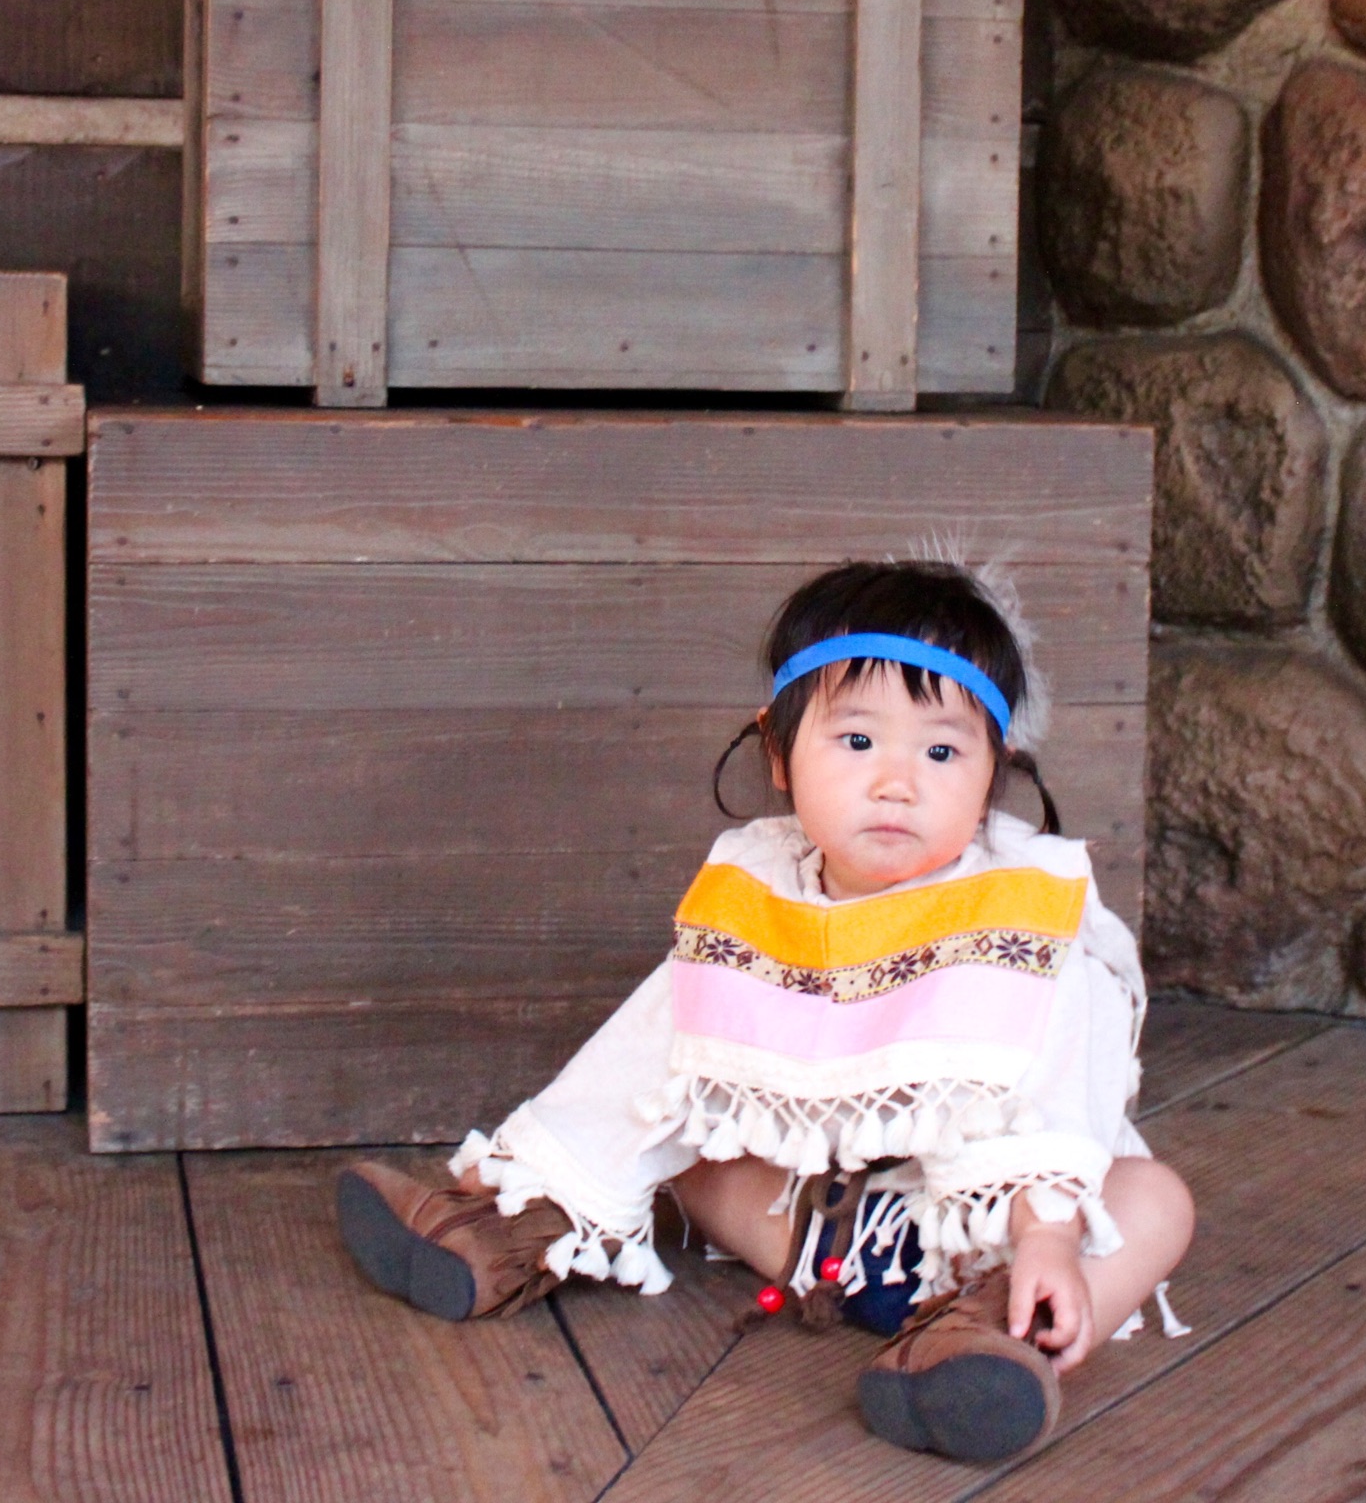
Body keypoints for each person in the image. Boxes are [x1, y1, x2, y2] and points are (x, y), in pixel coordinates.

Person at [336, 558, 1194, 1464]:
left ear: (993, 776)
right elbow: (651, 1060)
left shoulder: (1023, 913)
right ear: (779, 754)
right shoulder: (761, 890)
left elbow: (1060, 1093)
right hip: (813, 1229)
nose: (898, 782)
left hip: (989, 1247)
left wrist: (1047, 1238)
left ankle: (985, 1348)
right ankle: (515, 1236)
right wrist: (536, 1175)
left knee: (1154, 1203)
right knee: (692, 1141)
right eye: (857, 741)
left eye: (942, 753)